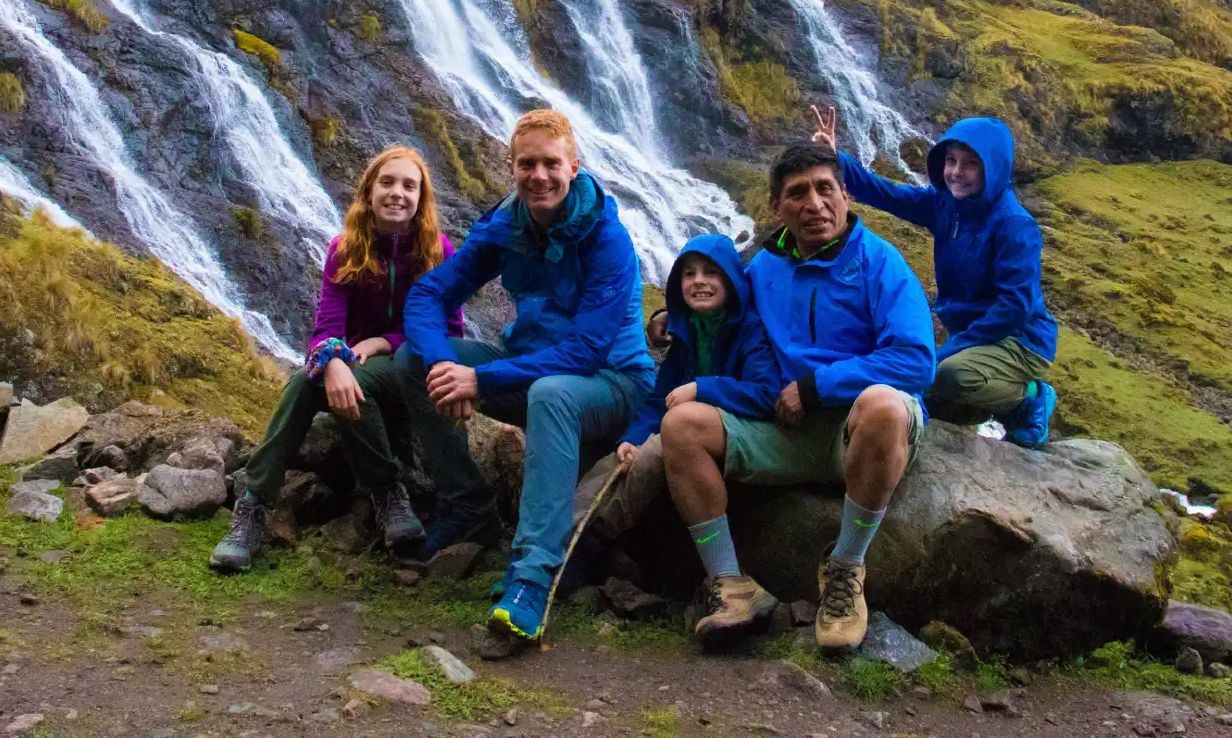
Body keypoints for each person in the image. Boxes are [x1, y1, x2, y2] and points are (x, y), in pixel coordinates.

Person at [660, 143, 937, 653]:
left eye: (824, 188)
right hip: (782, 428)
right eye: (797, 194)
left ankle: (845, 570)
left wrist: (816, 386)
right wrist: (671, 316)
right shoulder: (762, 267)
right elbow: (718, 298)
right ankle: (731, 585)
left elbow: (917, 360)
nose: (814, 203)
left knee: (883, 404)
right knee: (681, 426)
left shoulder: (881, 262)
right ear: (776, 208)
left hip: (859, 428)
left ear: (845, 194)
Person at [400, 109, 652, 645]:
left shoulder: (609, 238)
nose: (539, 176)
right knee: (412, 361)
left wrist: (482, 380)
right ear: (511, 167)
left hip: (615, 383)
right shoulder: (505, 226)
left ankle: (533, 579)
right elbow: (427, 294)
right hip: (533, 375)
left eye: (551, 164)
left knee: (552, 392)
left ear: (574, 166)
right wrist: (444, 362)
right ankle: (466, 504)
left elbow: (586, 351)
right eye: (528, 164)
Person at [210, 145, 464, 573]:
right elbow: (326, 328)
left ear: (421, 199)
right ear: (369, 191)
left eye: (409, 185)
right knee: (302, 383)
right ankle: (252, 507)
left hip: (408, 369)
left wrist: (385, 342)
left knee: (345, 378)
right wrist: (331, 362)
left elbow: (451, 332)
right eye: (387, 182)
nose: (397, 193)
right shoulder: (346, 248)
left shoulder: (439, 252)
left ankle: (387, 491)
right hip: (352, 365)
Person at [811, 107, 1059, 446]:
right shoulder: (944, 204)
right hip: (972, 335)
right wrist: (835, 158)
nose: (957, 172)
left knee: (949, 374)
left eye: (971, 164)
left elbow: (1014, 307)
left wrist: (949, 349)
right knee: (926, 397)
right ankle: (998, 408)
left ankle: (1030, 396)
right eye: (951, 161)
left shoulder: (1014, 225)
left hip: (1019, 339)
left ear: (994, 167)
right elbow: (885, 193)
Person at [576, 233, 782, 550]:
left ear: (731, 279)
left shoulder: (751, 329)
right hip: (686, 424)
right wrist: (632, 437)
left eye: (711, 272)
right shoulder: (687, 329)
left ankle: (593, 541)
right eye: (689, 273)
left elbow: (766, 393)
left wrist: (702, 389)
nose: (699, 281)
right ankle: (564, 534)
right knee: (617, 461)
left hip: (733, 432)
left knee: (652, 454)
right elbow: (661, 397)